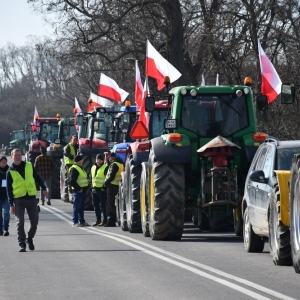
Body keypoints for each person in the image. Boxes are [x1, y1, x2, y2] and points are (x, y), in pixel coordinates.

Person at [7, 149, 48, 252]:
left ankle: (29, 238)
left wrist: (44, 188)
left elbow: (37, 177)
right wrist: (11, 204)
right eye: (15, 155)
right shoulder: (10, 172)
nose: (17, 157)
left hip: (31, 198)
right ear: (11, 157)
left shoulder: (29, 165)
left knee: (34, 222)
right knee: (19, 223)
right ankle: (22, 244)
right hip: (18, 200)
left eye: (19, 155)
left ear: (22, 156)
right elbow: (8, 189)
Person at [69, 155, 90, 227]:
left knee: (80, 207)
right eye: (82, 159)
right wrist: (79, 189)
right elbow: (72, 181)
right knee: (77, 207)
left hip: (82, 191)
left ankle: (82, 221)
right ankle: (75, 222)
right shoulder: (75, 169)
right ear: (79, 160)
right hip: (78, 191)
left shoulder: (79, 168)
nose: (83, 161)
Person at [104, 152, 124, 227]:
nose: (109, 159)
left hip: (111, 186)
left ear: (112, 157)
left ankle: (111, 220)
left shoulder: (114, 164)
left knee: (110, 204)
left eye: (109, 157)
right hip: (118, 185)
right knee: (114, 204)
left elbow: (111, 176)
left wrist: (105, 183)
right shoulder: (121, 164)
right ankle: (114, 219)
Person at [91, 153, 108, 226]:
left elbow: (107, 178)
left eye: (100, 160)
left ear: (103, 160)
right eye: (97, 159)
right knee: (96, 205)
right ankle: (98, 220)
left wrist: (104, 187)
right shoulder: (93, 167)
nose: (98, 161)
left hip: (101, 190)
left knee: (103, 205)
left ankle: (105, 220)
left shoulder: (105, 167)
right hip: (94, 189)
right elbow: (91, 177)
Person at [63, 135, 79, 203]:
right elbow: (65, 153)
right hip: (69, 164)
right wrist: (72, 156)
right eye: (74, 139)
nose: (75, 141)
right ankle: (69, 193)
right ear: (72, 140)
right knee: (70, 178)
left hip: (75, 163)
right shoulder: (68, 146)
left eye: (76, 140)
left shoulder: (78, 146)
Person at [0, 156, 10, 236]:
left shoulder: (9, 170)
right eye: (2, 161)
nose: (4, 162)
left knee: (6, 213)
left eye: (5, 161)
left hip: (7, 196)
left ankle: (6, 229)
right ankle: (0, 229)